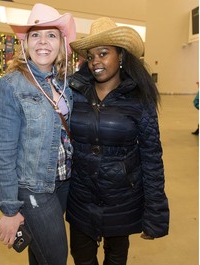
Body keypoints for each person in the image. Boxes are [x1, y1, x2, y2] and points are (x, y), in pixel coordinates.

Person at [66, 17, 170, 265]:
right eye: (90, 57)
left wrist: (155, 213)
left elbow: (152, 158)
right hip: (80, 198)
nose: (95, 62)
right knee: (81, 258)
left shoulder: (139, 100)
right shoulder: (74, 93)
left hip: (121, 201)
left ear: (121, 56)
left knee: (116, 258)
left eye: (103, 53)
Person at [0, 3, 76, 265]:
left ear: (61, 43)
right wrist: (10, 208)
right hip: (33, 188)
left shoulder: (64, 82)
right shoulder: (10, 85)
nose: (43, 42)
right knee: (56, 257)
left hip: (64, 183)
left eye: (51, 35)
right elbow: (2, 152)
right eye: (35, 35)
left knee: (39, 254)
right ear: (25, 44)